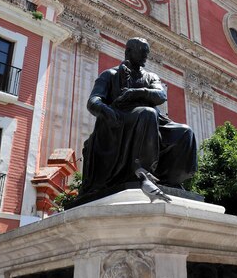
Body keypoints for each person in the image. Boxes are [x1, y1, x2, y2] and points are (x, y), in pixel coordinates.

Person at [80, 37, 197, 195]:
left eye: (147, 52)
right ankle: (141, 173)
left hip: (153, 121)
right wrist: (108, 111)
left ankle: (171, 179)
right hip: (119, 120)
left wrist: (136, 93)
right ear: (128, 51)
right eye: (142, 51)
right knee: (147, 114)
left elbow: (161, 95)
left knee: (186, 132)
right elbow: (93, 101)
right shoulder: (110, 74)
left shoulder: (150, 77)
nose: (145, 55)